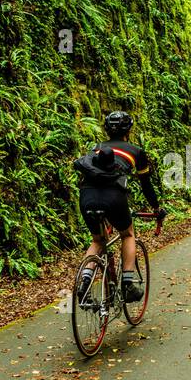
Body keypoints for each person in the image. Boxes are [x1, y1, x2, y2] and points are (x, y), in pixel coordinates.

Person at [75, 111, 164, 305]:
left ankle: (85, 280)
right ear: (129, 130)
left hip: (86, 196)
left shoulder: (96, 148)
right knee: (127, 234)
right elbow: (146, 185)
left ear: (106, 129)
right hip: (114, 197)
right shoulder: (136, 151)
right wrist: (156, 208)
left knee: (97, 240)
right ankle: (128, 283)